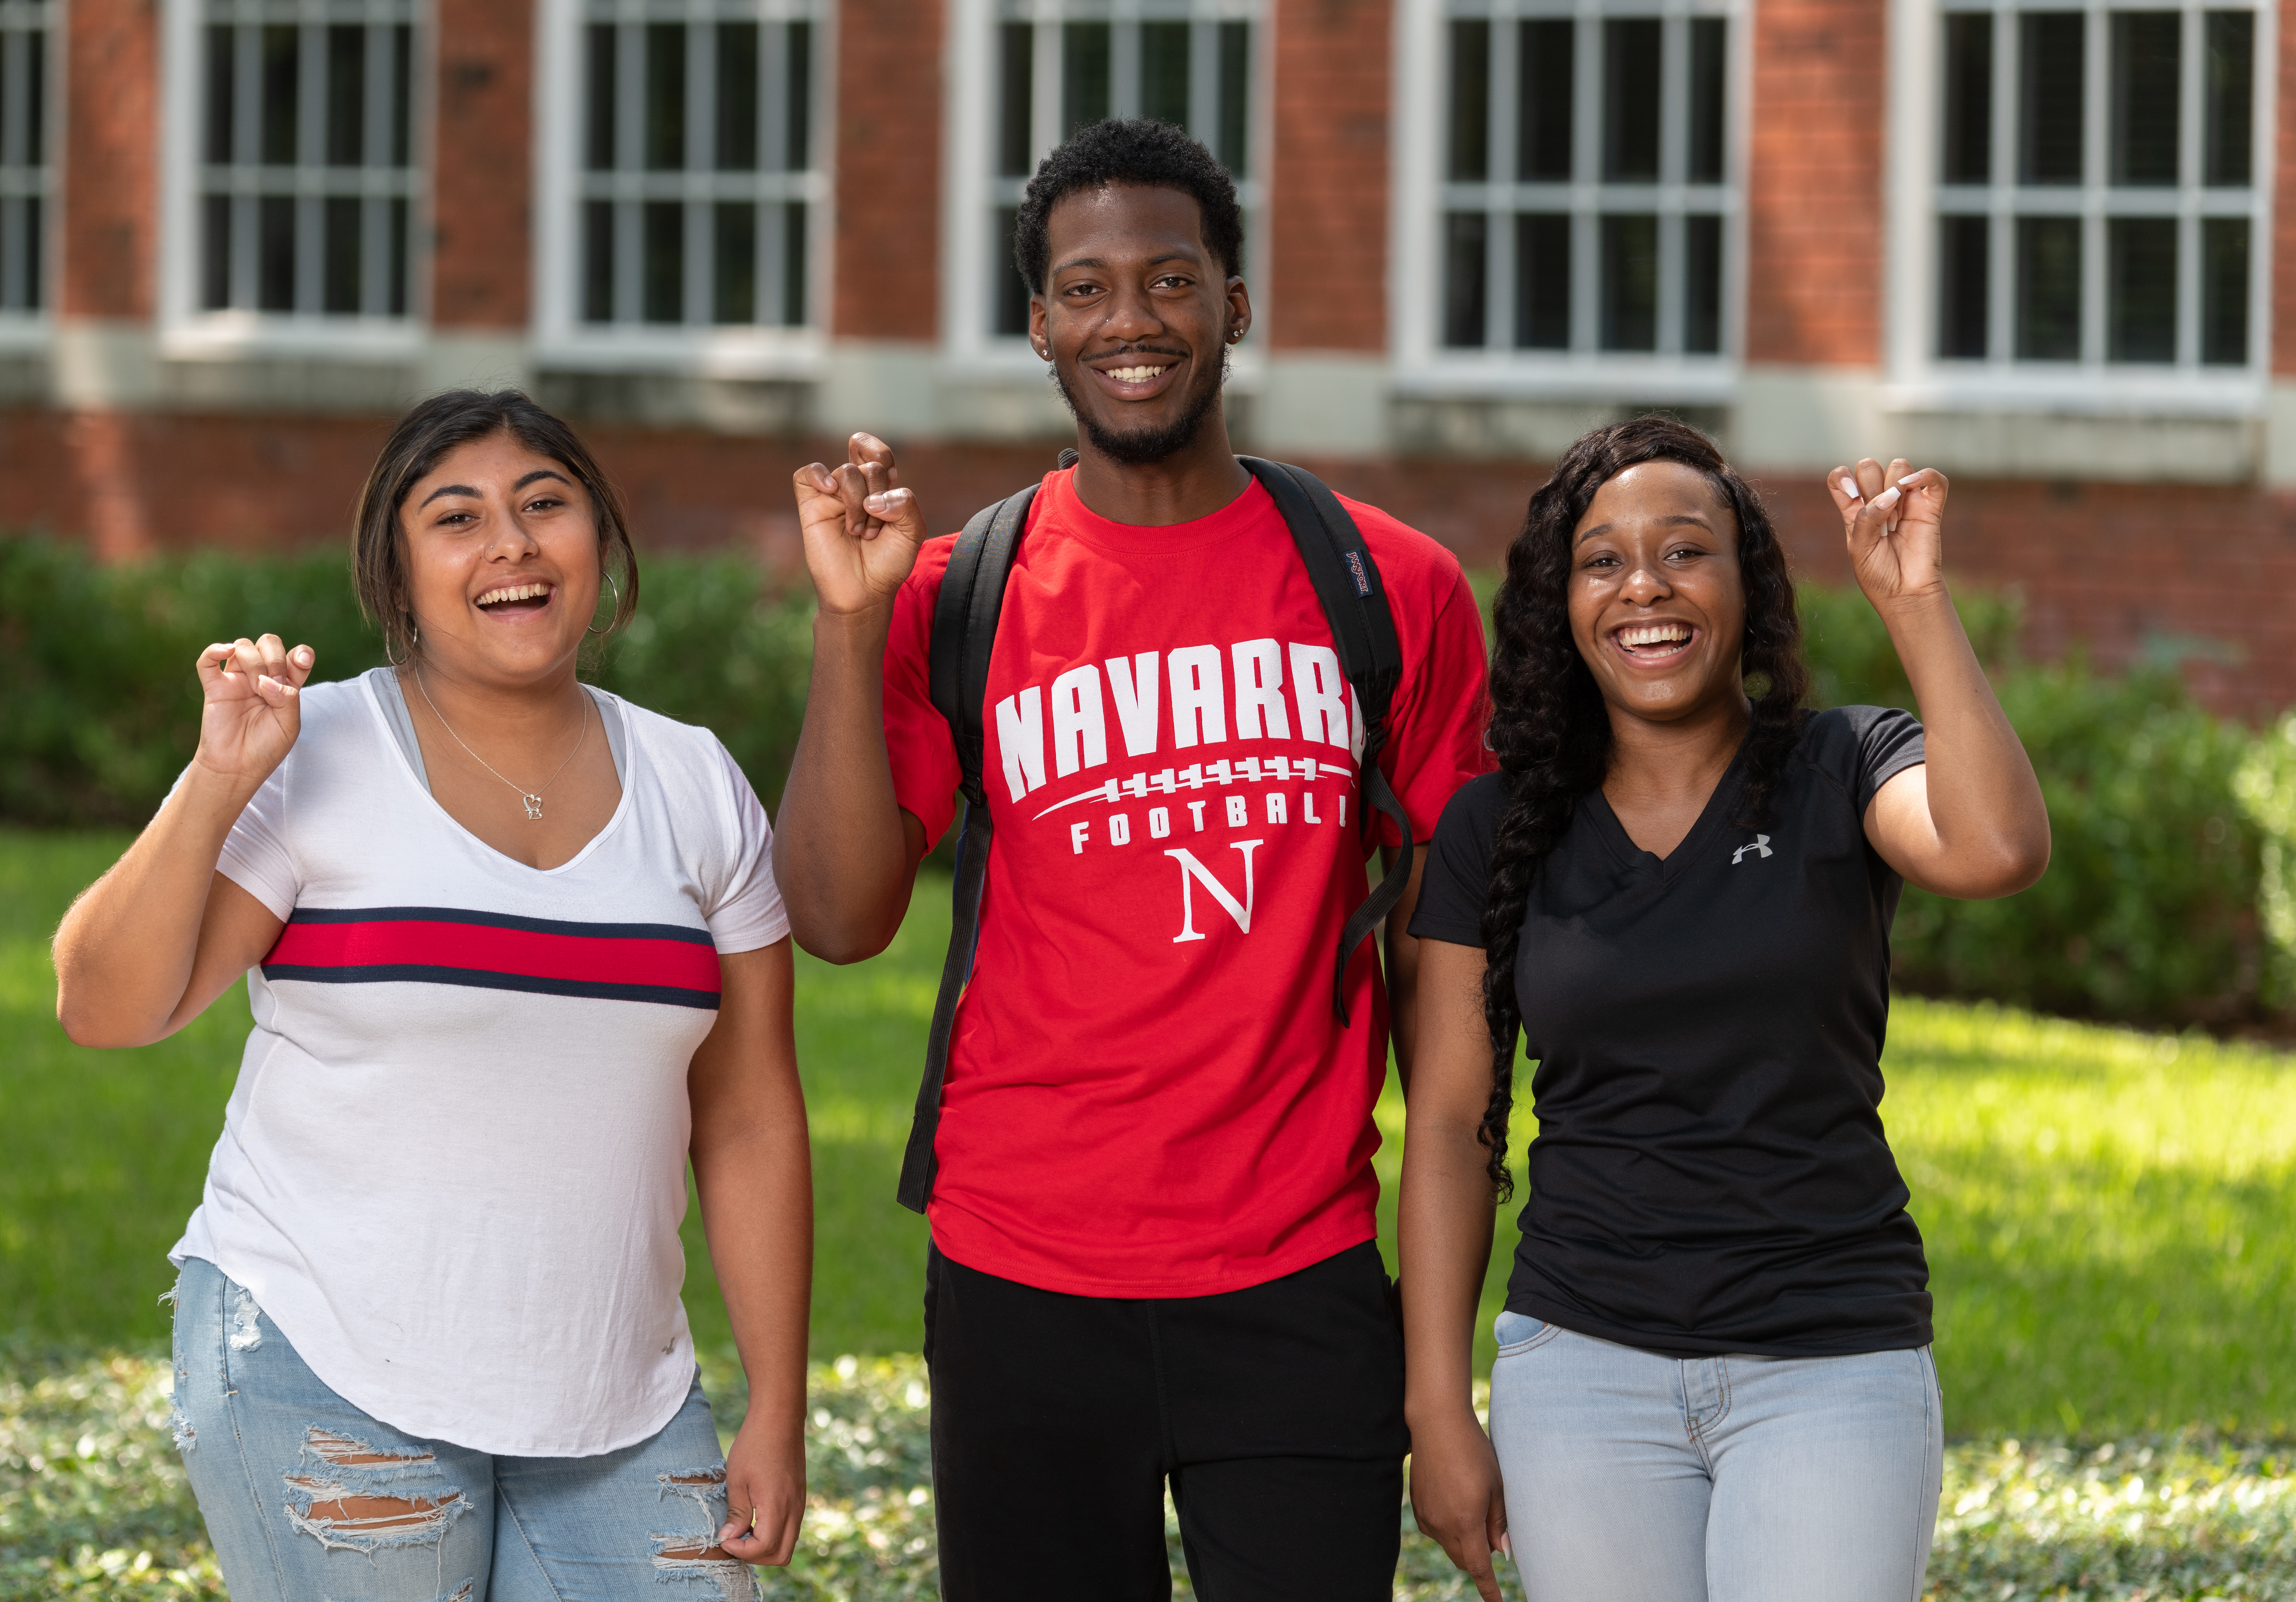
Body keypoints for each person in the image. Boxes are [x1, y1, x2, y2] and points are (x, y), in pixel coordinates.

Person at [771, 117, 1491, 1599]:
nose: (1131, 321)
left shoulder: (1391, 587)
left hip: (1298, 1270)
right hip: (1022, 1269)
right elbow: (837, 916)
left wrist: (1440, 1382)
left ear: (1235, 302)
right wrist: (850, 623)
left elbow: (1450, 1009)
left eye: (1170, 279)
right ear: (1038, 326)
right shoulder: (959, 592)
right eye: (1085, 289)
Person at [51, 389, 812, 1602]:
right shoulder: (319, 749)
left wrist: (779, 1398)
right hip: (326, 1362)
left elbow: (752, 1111)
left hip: (620, 1397)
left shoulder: (696, 778)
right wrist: (215, 780)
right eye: (457, 517)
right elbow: (105, 1004)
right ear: (398, 578)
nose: (510, 541)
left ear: (597, 544)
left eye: (544, 505)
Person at [1398, 419, 2050, 1602]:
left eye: (1686, 551)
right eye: (1604, 560)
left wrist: (1914, 603)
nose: (1644, 584)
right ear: (1562, 600)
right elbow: (1450, 1125)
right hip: (1582, 1367)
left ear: (1748, 588)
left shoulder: (1847, 768)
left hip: (1832, 1360)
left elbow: (1999, 845)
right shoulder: (1497, 828)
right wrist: (1437, 1405)